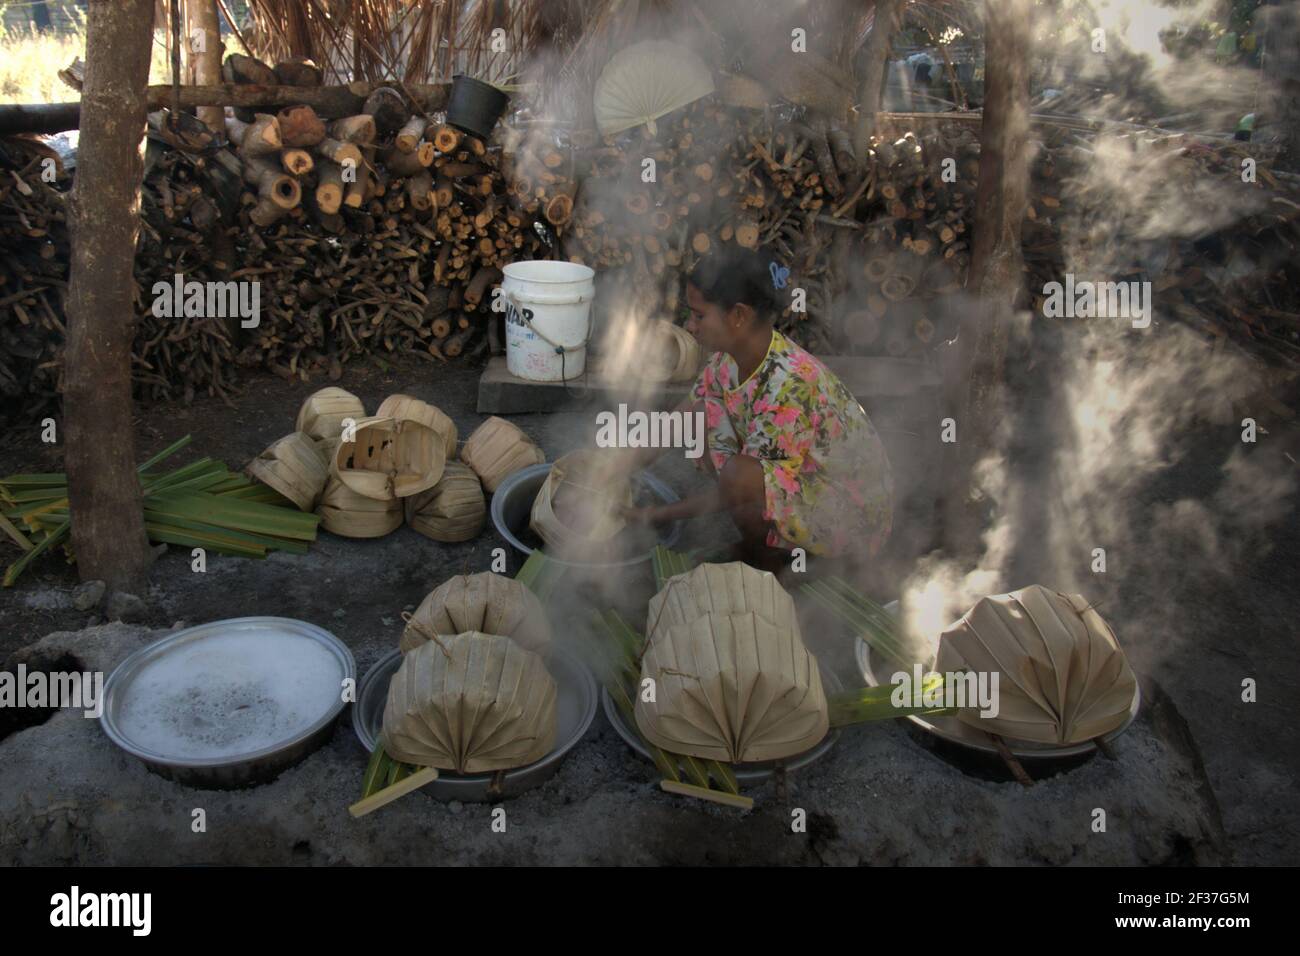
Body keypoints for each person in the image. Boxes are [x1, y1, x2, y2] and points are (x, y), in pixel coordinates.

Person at [617, 247, 894, 571]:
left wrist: (654, 515)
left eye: (699, 315)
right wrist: (614, 472)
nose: (690, 326)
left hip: (850, 517)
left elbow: (734, 489)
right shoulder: (728, 358)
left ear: (739, 316)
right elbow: (679, 419)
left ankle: (769, 559)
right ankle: (765, 540)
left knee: (738, 476)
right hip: (801, 478)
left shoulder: (789, 387)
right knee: (705, 414)